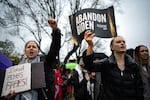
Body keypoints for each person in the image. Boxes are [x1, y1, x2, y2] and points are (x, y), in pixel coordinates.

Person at [3, 18, 61, 100]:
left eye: (34, 47)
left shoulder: (45, 62)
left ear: (38, 51)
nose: (31, 48)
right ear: (25, 51)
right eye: (28, 47)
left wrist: (55, 30)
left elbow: (55, 48)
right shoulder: (17, 68)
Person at [82, 30, 144, 100]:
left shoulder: (133, 66)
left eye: (124, 42)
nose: (122, 43)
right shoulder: (106, 64)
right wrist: (90, 45)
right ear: (111, 47)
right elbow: (89, 65)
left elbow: (139, 88)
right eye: (118, 42)